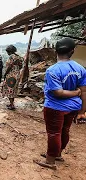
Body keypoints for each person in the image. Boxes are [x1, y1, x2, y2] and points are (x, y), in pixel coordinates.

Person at [34, 38, 86, 170]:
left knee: (54, 133)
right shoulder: (80, 69)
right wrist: (82, 111)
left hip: (55, 107)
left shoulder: (52, 70)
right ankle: (57, 154)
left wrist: (75, 93)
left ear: (55, 51)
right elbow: (84, 91)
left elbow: (58, 92)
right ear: (72, 51)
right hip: (73, 107)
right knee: (65, 130)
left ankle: (50, 160)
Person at [2, 45, 23, 110]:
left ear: (9, 51)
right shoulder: (18, 57)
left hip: (11, 75)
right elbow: (21, 66)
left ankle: (12, 105)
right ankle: (11, 103)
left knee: (9, 90)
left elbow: (9, 66)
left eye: (7, 52)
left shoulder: (11, 57)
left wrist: (5, 74)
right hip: (17, 75)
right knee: (13, 90)